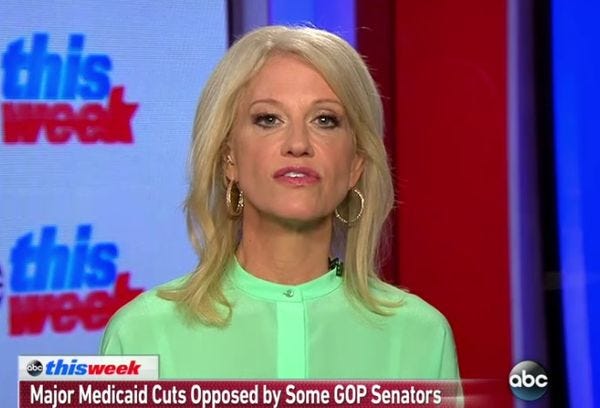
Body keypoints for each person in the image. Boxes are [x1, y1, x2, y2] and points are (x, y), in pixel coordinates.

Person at [101, 25, 460, 380]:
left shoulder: (422, 336)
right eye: (269, 119)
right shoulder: (139, 335)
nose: (298, 144)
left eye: (325, 120)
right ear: (229, 158)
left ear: (356, 164)